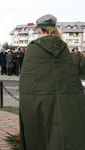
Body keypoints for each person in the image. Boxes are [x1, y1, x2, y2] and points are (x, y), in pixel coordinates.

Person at [19, 14, 85, 150]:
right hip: (64, 100)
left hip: (39, 100)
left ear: (39, 30)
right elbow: (71, 78)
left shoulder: (33, 48)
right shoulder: (65, 49)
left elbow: (26, 82)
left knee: (40, 135)